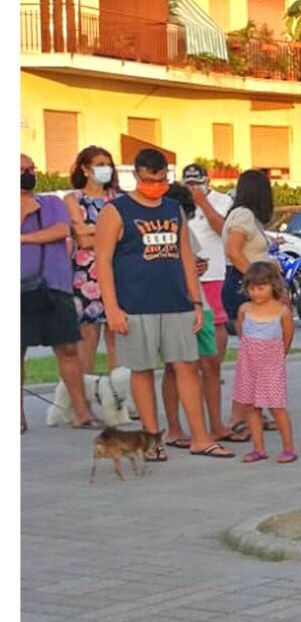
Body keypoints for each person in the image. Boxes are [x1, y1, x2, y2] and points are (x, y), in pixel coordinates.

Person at [95, 148, 233, 459]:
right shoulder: (116, 211)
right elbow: (102, 261)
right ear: (137, 176)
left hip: (177, 302)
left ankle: (200, 437)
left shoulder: (174, 209)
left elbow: (186, 256)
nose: (155, 185)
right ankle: (152, 440)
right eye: (149, 180)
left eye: (161, 180)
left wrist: (196, 302)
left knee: (186, 366)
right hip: (135, 305)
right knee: (142, 371)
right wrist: (112, 308)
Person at [21, 154, 101, 432]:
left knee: (68, 348)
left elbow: (59, 231)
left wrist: (20, 238)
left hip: (53, 286)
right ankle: (16, 416)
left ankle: (82, 411)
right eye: (21, 170)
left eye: (31, 169)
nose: (28, 174)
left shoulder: (50, 203)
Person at [161, 184, 242, 446]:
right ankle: (174, 429)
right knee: (176, 368)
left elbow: (196, 262)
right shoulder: (156, 233)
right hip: (173, 307)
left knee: (210, 363)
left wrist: (200, 265)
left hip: (200, 304)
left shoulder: (185, 230)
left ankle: (215, 425)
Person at [221, 169, 274, 435]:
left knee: (258, 354)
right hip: (244, 287)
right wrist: (257, 283)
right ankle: (238, 416)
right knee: (252, 355)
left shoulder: (248, 217)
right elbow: (233, 249)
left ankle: (255, 411)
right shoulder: (243, 215)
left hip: (247, 285)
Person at [232, 262, 297, 463]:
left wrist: (277, 357)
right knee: (251, 407)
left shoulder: (282, 312)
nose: (256, 293)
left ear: (273, 286)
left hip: (271, 367)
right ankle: (258, 448)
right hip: (249, 366)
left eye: (261, 288)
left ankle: (288, 448)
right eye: (252, 288)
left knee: (276, 407)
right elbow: (242, 332)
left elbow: (287, 337)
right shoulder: (245, 309)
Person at [65, 145, 120, 373]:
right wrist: (106, 232)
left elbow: (123, 235)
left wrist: (92, 229)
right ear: (86, 169)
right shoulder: (73, 199)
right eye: (99, 164)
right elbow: (81, 238)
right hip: (85, 275)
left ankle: (120, 398)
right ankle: (84, 396)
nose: (105, 169)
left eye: (108, 164)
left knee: (117, 338)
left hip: (117, 271)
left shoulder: (119, 199)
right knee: (87, 339)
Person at [182, 163, 233, 363]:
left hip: (215, 272)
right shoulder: (179, 201)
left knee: (217, 323)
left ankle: (215, 367)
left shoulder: (222, 200)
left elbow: (222, 228)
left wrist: (202, 202)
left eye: (198, 183)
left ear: (207, 181)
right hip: (188, 273)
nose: (193, 188)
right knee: (190, 322)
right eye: (189, 184)